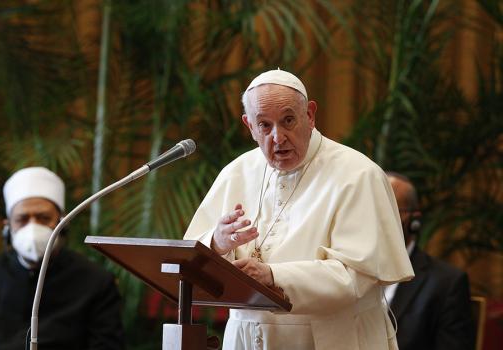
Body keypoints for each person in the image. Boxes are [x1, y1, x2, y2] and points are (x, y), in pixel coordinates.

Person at [184, 69, 414, 350]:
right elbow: (189, 260)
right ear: (249, 126)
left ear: (311, 114)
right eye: (264, 125)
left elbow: (356, 277)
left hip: (331, 339)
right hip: (246, 339)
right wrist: (216, 243)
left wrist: (272, 276)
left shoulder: (359, 175)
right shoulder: (236, 173)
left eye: (288, 121)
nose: (278, 137)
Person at [0, 167, 125, 350]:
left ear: (62, 223)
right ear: (7, 227)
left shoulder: (95, 282)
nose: (33, 227)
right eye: (22, 219)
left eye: (43, 218)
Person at [386, 172, 475, 350]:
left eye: (390, 209)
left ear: (414, 220)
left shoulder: (447, 283)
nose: (378, 219)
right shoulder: (343, 270)